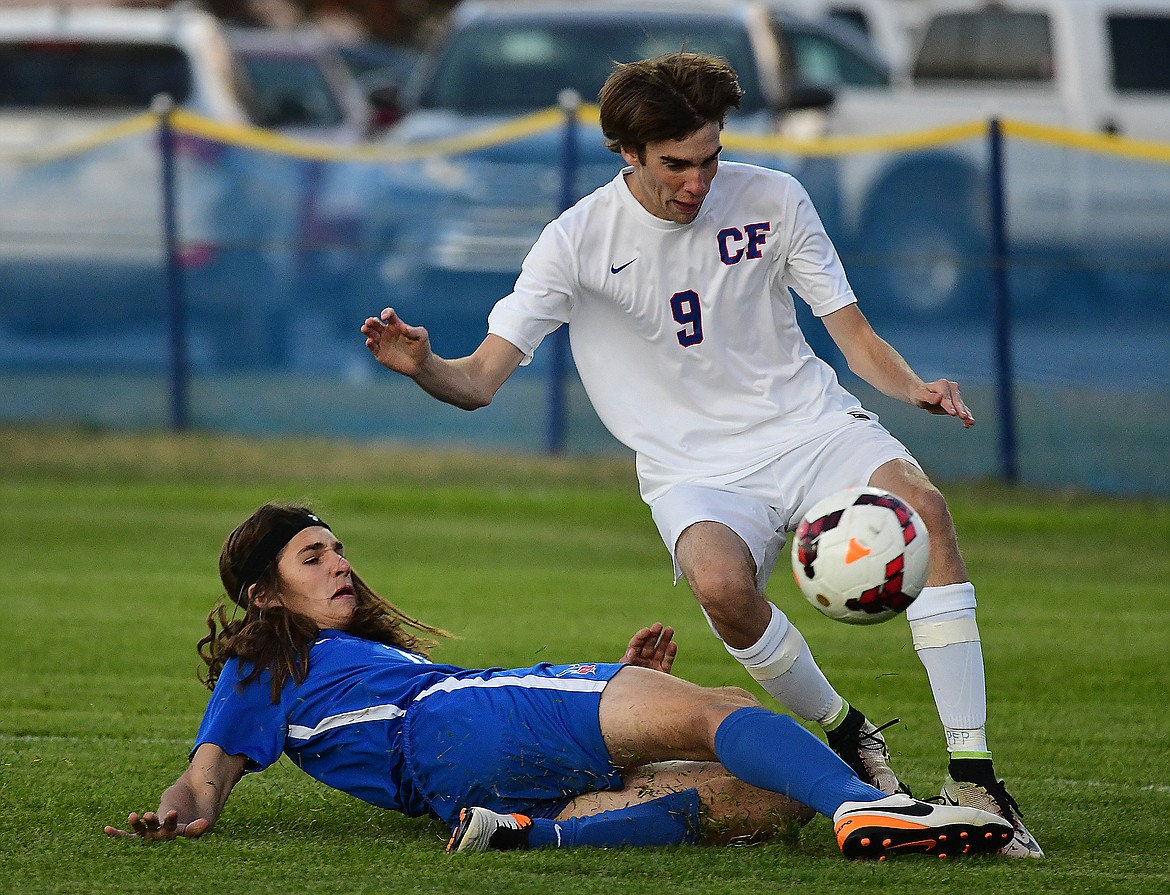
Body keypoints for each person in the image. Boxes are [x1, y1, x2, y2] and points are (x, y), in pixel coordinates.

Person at [361, 52, 1042, 857]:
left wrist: (912, 386)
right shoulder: (575, 240)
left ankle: (976, 775)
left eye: (710, 157)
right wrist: (425, 367)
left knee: (926, 508)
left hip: (811, 425)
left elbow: (853, 336)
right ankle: (847, 731)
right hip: (696, 471)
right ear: (628, 153)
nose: (697, 181)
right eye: (676, 164)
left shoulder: (776, 197)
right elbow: (478, 380)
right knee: (723, 588)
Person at [103, 503, 1012, 859]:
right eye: (313, 555)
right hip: (461, 718)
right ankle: (872, 805)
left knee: (770, 797)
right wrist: (184, 802)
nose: (340, 564)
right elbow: (209, 767)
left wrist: (624, 694)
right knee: (724, 708)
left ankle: (527, 839)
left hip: (456, 781)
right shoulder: (268, 653)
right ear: (265, 594)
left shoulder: (319, 666)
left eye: (340, 547)